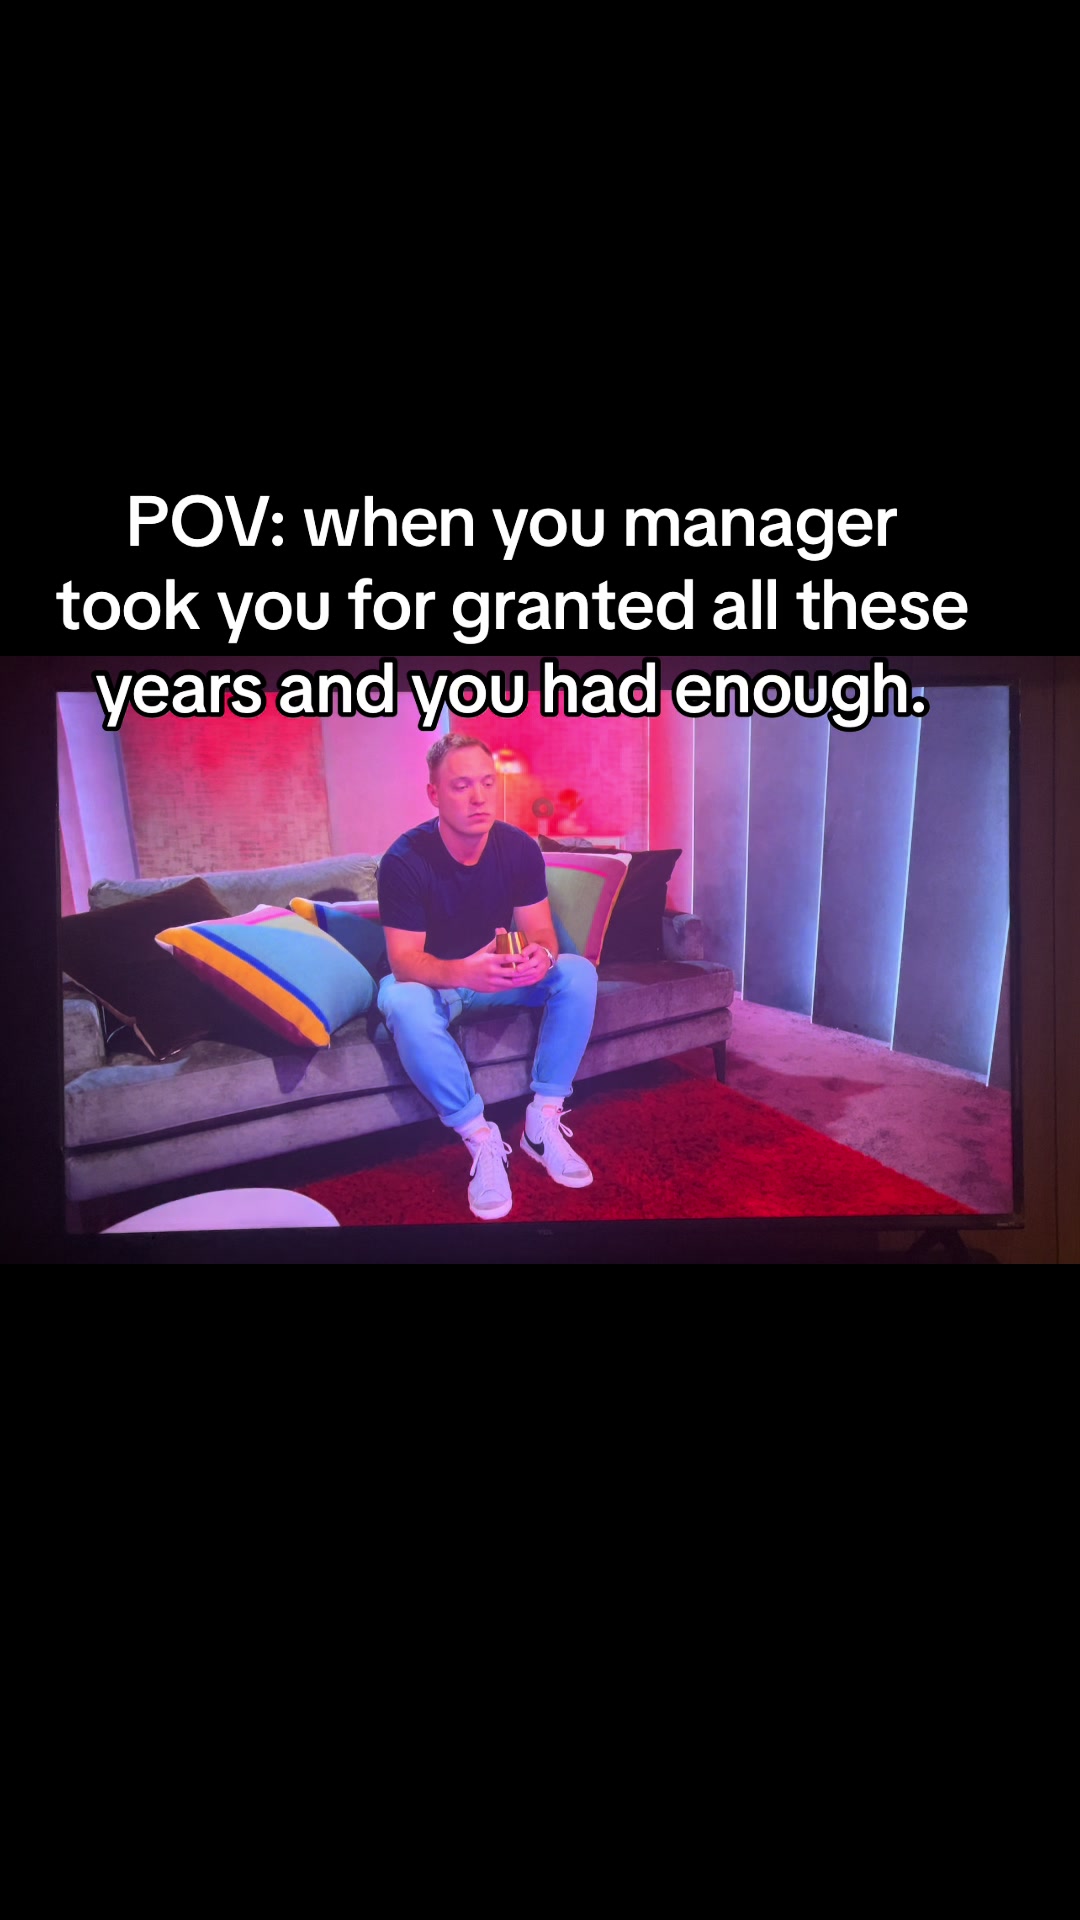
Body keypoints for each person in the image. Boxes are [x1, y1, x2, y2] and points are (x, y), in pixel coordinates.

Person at [377, 734, 599, 1221]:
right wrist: (463, 972)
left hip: (499, 976)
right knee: (402, 1001)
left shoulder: (518, 847)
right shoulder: (403, 860)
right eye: (461, 786)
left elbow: (541, 931)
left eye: (486, 783)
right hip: (436, 984)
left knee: (577, 973)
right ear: (434, 793)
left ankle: (542, 1122)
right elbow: (404, 962)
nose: (478, 797)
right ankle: (480, 1136)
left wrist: (542, 955)